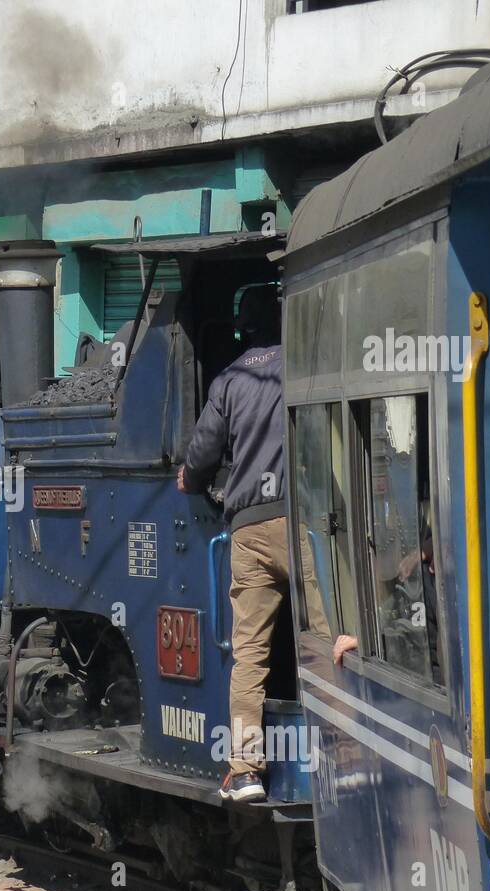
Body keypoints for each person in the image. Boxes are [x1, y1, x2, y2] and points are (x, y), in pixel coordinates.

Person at [177, 285, 289, 803]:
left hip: (247, 528)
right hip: (302, 518)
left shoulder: (230, 379)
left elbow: (201, 453)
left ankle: (244, 770)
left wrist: (190, 481)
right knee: (336, 636)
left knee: (249, 656)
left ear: (243, 328)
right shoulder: (303, 362)